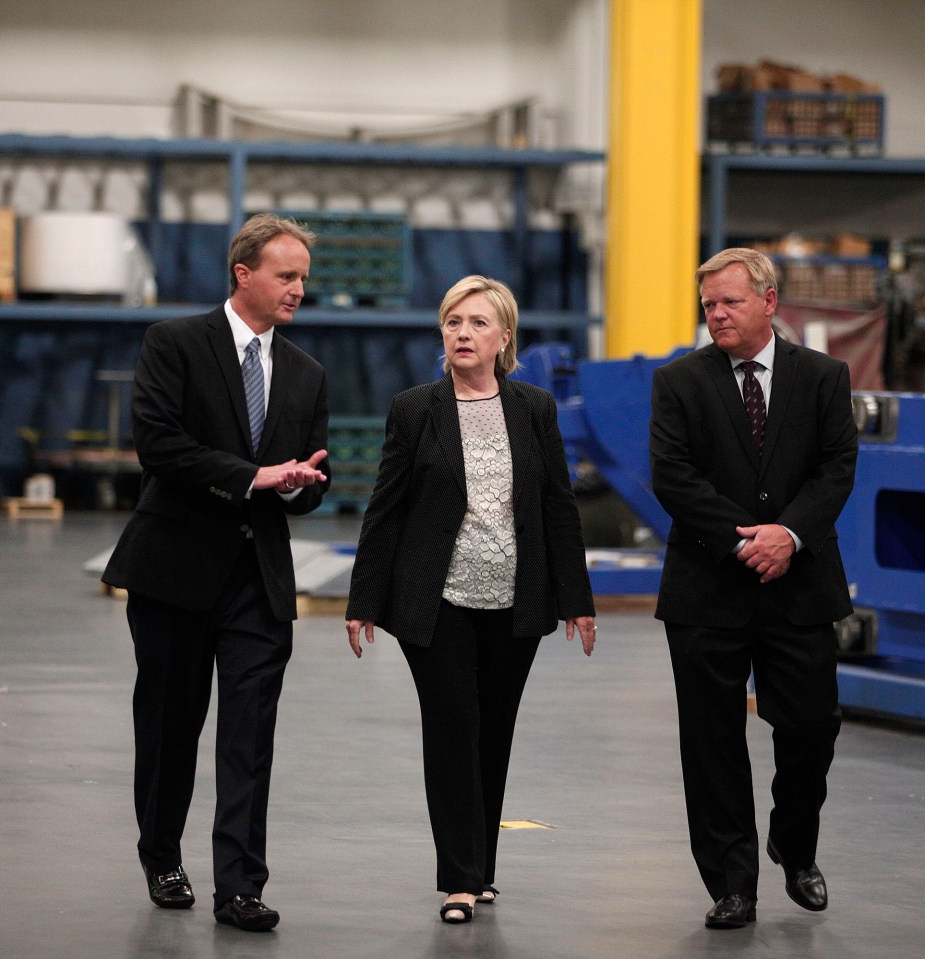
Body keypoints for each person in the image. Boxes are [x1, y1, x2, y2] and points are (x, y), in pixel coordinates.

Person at [344, 275, 597, 925]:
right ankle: (459, 879)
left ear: (504, 337)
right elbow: (385, 508)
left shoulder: (535, 408)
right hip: (437, 600)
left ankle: (480, 868)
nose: (463, 333)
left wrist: (577, 598)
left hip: (516, 600)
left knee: (493, 732)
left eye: (478, 322)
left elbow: (558, 506)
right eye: (453, 322)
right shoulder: (415, 408)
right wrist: (363, 599)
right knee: (453, 731)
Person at [102, 214, 330, 932]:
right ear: (244, 274)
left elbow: (311, 477)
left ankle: (239, 885)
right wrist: (253, 476)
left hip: (258, 580)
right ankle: (162, 855)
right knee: (170, 725)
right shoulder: (174, 343)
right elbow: (159, 445)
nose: (298, 289)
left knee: (248, 737)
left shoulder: (307, 372)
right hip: (175, 571)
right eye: (286, 276)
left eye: (302, 278)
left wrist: (296, 486)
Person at [648, 248, 858, 930]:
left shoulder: (823, 377)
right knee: (711, 740)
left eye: (730, 302)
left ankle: (794, 845)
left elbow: (836, 468)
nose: (717, 314)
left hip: (798, 584)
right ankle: (733, 883)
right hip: (708, 586)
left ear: (769, 301)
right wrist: (742, 541)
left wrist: (788, 535)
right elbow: (672, 474)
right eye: (708, 304)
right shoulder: (679, 381)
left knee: (811, 726)